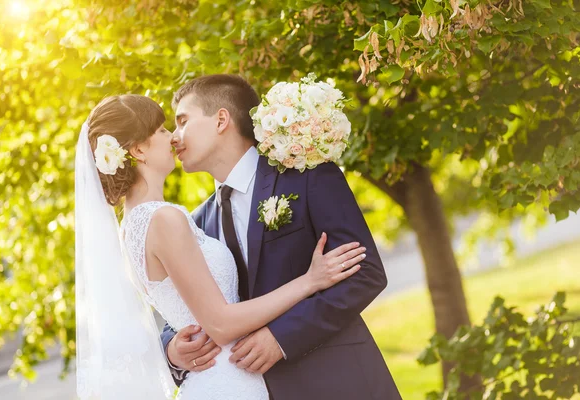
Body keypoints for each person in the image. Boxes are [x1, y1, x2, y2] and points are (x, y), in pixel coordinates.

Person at [74, 94, 365, 399]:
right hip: (228, 381)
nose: (172, 137)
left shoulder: (132, 225)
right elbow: (221, 324)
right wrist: (311, 281)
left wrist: (173, 349)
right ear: (138, 150)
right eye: (161, 130)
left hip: (221, 379)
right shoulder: (163, 219)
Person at [163, 75, 402, 400]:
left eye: (182, 121)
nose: (174, 138)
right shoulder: (195, 225)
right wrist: (173, 350)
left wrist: (281, 337)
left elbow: (366, 274)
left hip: (338, 382)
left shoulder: (307, 177)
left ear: (221, 120)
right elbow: (182, 309)